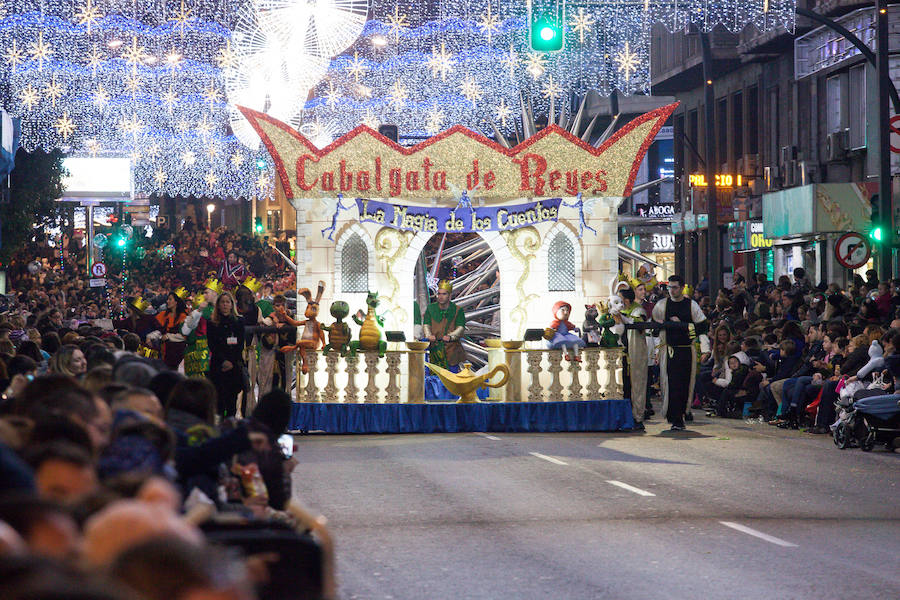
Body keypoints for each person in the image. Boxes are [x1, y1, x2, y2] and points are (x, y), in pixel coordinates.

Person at [652, 275, 710, 430]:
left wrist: (684, 326)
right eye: (669, 287)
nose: (671, 290)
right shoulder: (661, 305)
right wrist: (657, 350)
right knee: (669, 384)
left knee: (684, 384)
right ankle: (674, 416)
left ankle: (683, 413)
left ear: (682, 287)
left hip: (686, 351)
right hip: (668, 351)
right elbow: (655, 330)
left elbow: (702, 326)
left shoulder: (691, 305)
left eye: (675, 287)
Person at [611, 287, 648, 431]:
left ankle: (637, 417)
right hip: (621, 355)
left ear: (626, 301)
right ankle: (622, 417)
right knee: (622, 386)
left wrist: (623, 317)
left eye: (620, 300)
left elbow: (638, 324)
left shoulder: (638, 311)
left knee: (637, 386)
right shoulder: (616, 312)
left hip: (635, 355)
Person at [206, 292, 245, 418]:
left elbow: (240, 344)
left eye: (227, 302)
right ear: (218, 305)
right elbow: (212, 344)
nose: (225, 305)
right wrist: (223, 361)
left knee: (231, 400)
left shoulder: (239, 321)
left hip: (234, 366)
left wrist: (231, 362)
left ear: (232, 304)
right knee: (219, 400)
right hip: (218, 365)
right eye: (222, 302)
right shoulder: (212, 323)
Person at [181, 278, 222, 379]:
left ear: (214, 293)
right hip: (198, 352)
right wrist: (198, 311)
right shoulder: (201, 310)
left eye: (206, 292)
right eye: (204, 293)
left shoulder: (222, 309)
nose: (204, 295)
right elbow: (185, 330)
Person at [423, 280, 466, 370]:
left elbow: (461, 327)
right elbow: (426, 324)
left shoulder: (458, 310)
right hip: (435, 350)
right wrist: (429, 335)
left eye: (444, 294)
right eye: (439, 294)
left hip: (451, 351)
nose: (441, 297)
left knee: (452, 378)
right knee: (435, 377)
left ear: (449, 296)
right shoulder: (431, 308)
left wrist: (450, 337)